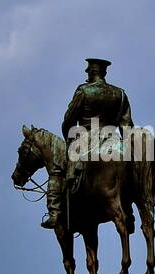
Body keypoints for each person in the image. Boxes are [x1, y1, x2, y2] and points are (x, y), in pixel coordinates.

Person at [44, 57, 135, 229]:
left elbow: (69, 119)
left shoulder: (83, 91)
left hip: (86, 140)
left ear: (91, 72)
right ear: (104, 73)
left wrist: (69, 139)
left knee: (58, 169)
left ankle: (55, 213)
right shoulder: (120, 93)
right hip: (114, 139)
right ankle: (128, 210)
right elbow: (127, 125)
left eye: (88, 72)